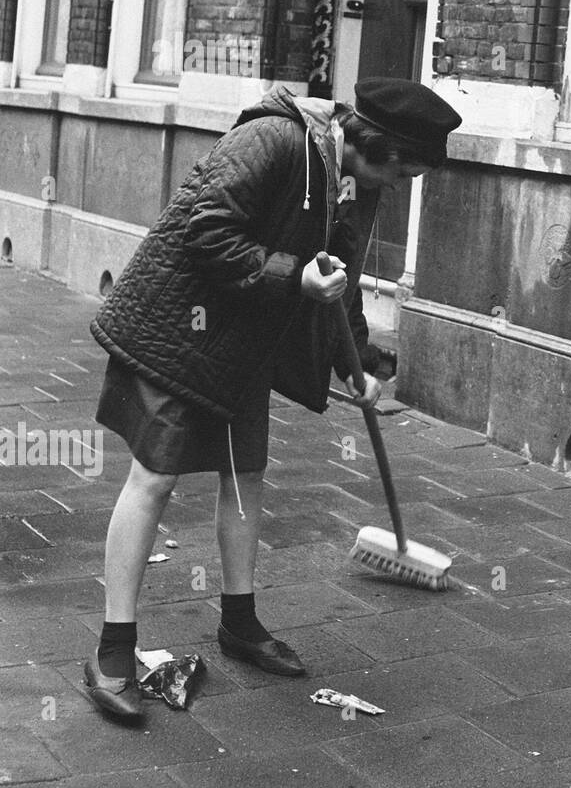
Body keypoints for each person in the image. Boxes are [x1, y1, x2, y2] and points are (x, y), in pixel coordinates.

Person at [83, 77, 462, 723]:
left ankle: (239, 622)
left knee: (244, 475)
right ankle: (112, 649)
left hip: (242, 348)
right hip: (180, 331)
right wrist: (293, 277)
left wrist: (358, 365)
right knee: (155, 480)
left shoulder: (356, 184)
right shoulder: (274, 139)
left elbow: (337, 287)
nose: (396, 187)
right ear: (382, 145)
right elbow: (207, 233)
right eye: (402, 172)